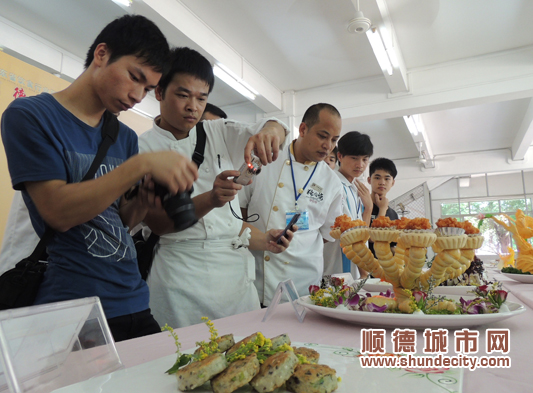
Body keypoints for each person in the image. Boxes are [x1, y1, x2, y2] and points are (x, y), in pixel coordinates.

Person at [1, 15, 200, 342]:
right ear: (102, 54)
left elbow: (118, 221)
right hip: (71, 305)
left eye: (148, 89)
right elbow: (58, 212)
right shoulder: (30, 116)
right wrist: (140, 166)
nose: (137, 95)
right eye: (134, 78)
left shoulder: (123, 137)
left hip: (133, 295)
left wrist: (142, 202)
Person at [138, 47, 294, 328]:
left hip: (233, 277)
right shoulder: (141, 148)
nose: (193, 107)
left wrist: (270, 132)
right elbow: (159, 224)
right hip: (180, 274)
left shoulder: (217, 131)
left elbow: (276, 126)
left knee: (244, 355)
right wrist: (211, 198)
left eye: (202, 98)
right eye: (183, 95)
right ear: (159, 91)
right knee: (181, 360)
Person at [239, 103, 344, 306]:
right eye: (323, 136)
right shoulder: (266, 159)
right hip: (257, 274)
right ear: (303, 129)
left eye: (334, 140)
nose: (328, 145)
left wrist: (297, 244)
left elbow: (326, 235)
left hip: (303, 282)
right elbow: (240, 211)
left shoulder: (332, 183)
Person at [331, 131, 374, 277]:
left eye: (365, 159)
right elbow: (350, 235)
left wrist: (368, 208)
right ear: (340, 156)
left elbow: (361, 232)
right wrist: (364, 272)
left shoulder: (356, 187)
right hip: (337, 265)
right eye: (354, 158)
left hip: (356, 268)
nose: (360, 165)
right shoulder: (334, 184)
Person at [367, 157, 399, 257]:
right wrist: (382, 210)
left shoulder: (393, 213)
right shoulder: (363, 207)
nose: (382, 182)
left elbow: (393, 246)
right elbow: (371, 238)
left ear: (393, 182)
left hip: (386, 268)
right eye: (377, 177)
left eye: (387, 178)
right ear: (369, 180)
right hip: (365, 266)